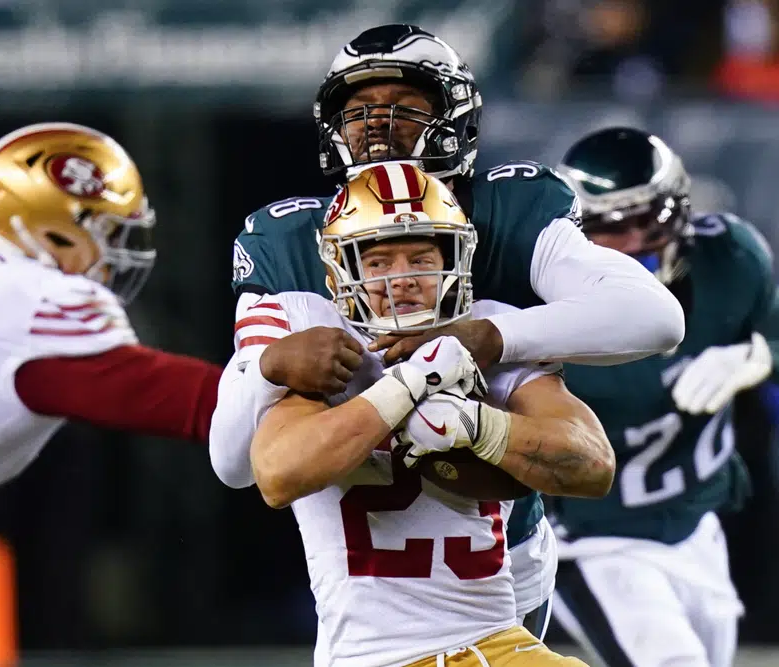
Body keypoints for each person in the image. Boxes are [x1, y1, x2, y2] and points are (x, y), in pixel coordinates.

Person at [212, 23, 684, 638]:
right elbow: (236, 463)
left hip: (501, 553)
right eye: (357, 111)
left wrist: (489, 340)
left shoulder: (509, 218)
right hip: (372, 577)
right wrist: (267, 368)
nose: (376, 125)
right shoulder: (287, 246)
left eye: (403, 108)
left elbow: (655, 318)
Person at [227, 165, 610, 667]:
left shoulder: (487, 330)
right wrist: (410, 387)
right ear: (340, 271)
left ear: (456, 258)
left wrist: (481, 427)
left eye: (421, 258)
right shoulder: (320, 347)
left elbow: (592, 463)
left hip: (493, 639)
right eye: (379, 261)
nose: (402, 280)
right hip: (380, 655)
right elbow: (278, 474)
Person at [0, 123, 224, 666]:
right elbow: (199, 403)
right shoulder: (38, 307)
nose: (110, 258)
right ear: (47, 233)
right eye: (102, 234)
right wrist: (274, 375)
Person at [545, 127, 779, 667]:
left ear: (679, 213)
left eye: (644, 220)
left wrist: (758, 357)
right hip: (591, 540)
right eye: (603, 227)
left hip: (695, 528)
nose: (628, 243)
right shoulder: (542, 310)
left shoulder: (723, 263)